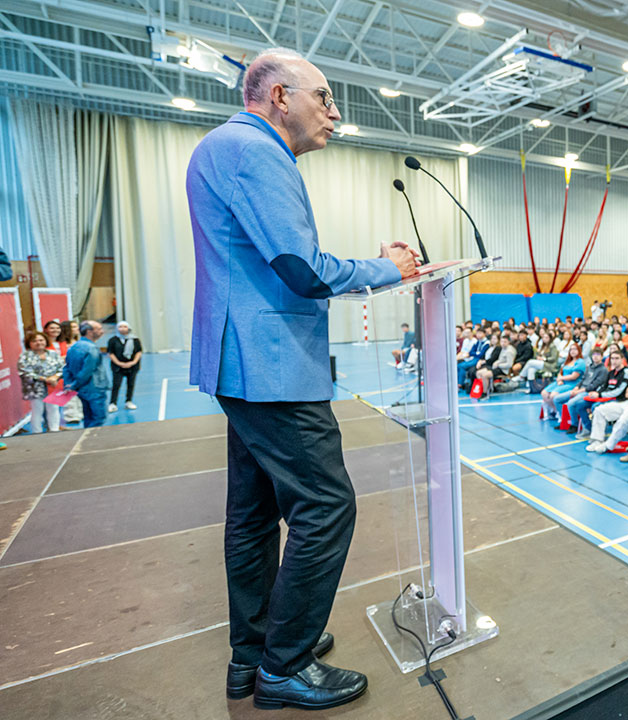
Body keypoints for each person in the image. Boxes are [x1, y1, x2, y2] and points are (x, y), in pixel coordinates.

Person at [187, 48, 420, 709]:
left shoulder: (230, 148)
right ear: (279, 96)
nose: (335, 113)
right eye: (324, 97)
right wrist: (388, 270)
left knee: (256, 513)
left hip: (247, 363)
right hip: (272, 366)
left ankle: (256, 654)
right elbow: (303, 268)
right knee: (325, 506)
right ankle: (285, 666)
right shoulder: (256, 151)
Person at [63, 321, 109, 428]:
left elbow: (67, 368)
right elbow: (87, 371)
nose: (102, 331)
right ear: (89, 331)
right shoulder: (91, 348)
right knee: (99, 418)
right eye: (99, 329)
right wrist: (74, 384)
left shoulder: (73, 347)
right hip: (95, 388)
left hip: (82, 390)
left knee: (88, 416)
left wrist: (69, 383)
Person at [18, 331, 64, 433]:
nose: (38, 342)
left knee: (53, 409)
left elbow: (62, 368)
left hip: (53, 387)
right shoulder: (25, 356)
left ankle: (54, 430)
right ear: (29, 343)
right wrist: (44, 379)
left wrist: (55, 377)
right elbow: (24, 372)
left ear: (45, 341)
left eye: (41, 340)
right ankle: (37, 433)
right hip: (35, 389)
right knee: (37, 411)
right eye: (34, 341)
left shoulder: (53, 354)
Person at [541, 343, 585, 421]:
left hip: (572, 383)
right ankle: (555, 410)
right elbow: (560, 373)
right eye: (571, 349)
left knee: (553, 395)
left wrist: (561, 378)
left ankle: (560, 413)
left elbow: (574, 376)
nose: (573, 351)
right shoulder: (567, 361)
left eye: (575, 349)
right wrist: (559, 380)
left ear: (579, 351)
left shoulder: (580, 362)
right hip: (562, 382)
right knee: (544, 393)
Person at [106, 321, 144, 412]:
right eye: (120, 327)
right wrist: (119, 363)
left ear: (128, 328)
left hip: (132, 367)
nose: (122, 328)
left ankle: (129, 401)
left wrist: (133, 362)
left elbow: (139, 352)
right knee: (116, 384)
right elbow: (110, 353)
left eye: (125, 327)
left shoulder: (135, 340)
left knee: (130, 384)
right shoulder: (113, 340)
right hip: (118, 367)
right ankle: (113, 403)